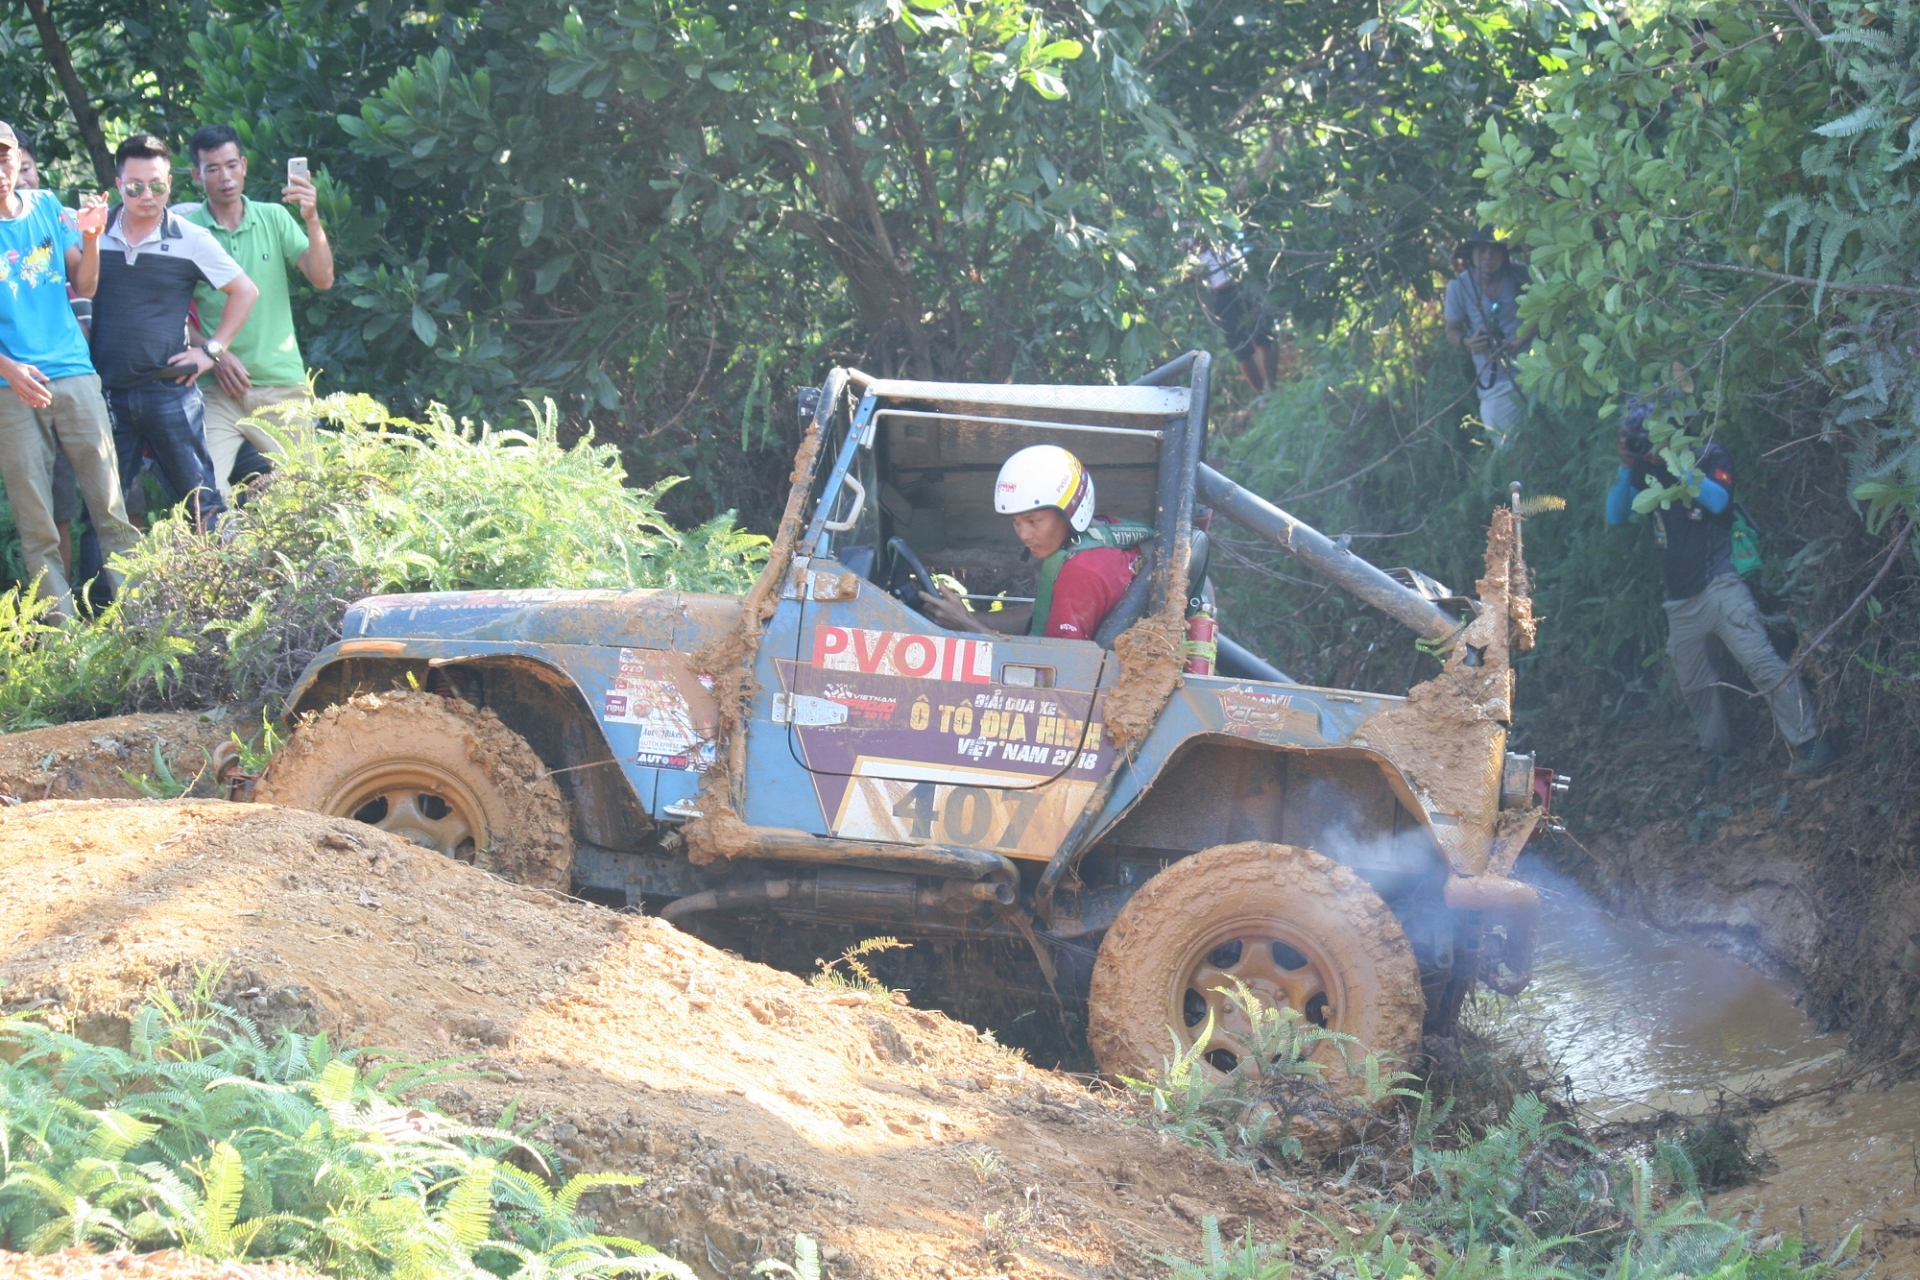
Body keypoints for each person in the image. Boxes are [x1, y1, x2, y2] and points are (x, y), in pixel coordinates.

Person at [1607, 399, 1837, 776]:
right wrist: (1626, 466)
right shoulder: (1641, 471)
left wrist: (1675, 464)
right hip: (1680, 600)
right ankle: (1719, 757)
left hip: (1721, 581)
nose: (1644, 445)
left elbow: (1718, 501)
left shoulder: (1707, 453)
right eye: (1636, 439)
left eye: (1647, 438)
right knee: (1695, 683)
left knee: (1761, 662)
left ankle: (1811, 744)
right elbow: (1616, 516)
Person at [0, 120, 139, 616]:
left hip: (73, 371)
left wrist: (93, 235)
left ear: (18, 158)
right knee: (36, 523)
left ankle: (140, 625)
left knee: (110, 508)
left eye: (4, 156)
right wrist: (10, 371)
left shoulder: (48, 209)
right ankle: (65, 649)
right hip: (9, 387)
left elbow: (87, 284)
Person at [90, 133, 257, 532]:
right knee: (102, 511)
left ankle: (223, 588)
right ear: (118, 185)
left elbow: (245, 291)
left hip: (170, 391)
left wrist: (212, 351)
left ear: (170, 184)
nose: (147, 195)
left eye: (158, 185)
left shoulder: (191, 238)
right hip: (106, 392)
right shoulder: (94, 235)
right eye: (135, 186)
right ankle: (101, 596)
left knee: (204, 503)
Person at [177, 125, 334, 500]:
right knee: (202, 493)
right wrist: (214, 351)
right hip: (218, 391)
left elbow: (323, 278)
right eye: (212, 168)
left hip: (281, 385)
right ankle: (224, 557)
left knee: (307, 499)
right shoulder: (185, 231)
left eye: (231, 165)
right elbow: (171, 315)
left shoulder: (274, 217)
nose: (225, 177)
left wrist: (311, 217)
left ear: (244, 166)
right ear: (196, 175)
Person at [918, 444, 1153, 641]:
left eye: (1032, 521)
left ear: (1069, 511)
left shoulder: (1081, 571)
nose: (1023, 534)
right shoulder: (1105, 531)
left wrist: (967, 627)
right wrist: (966, 617)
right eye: (1016, 522)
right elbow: (1043, 613)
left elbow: (1055, 671)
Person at [1444, 226, 1534, 449]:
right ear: (1472, 253)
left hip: (1534, 368)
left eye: (1495, 251)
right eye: (1482, 250)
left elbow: (1544, 314)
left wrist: (1519, 340)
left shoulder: (1521, 275)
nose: (1488, 257)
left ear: (1504, 254)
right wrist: (1467, 343)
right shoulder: (1458, 287)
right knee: (1506, 445)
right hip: (1494, 379)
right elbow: (1452, 330)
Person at [1188, 236, 1280, 393]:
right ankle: (1262, 394)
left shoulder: (1219, 227)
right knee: (1241, 350)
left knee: (1264, 337)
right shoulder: (1185, 237)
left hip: (1244, 284)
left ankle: (1270, 385)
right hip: (1221, 294)